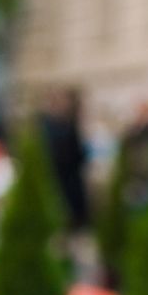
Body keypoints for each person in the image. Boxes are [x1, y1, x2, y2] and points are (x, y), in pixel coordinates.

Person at [40, 87, 90, 233]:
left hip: (69, 177)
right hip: (58, 177)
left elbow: (78, 152)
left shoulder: (67, 124)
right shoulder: (49, 126)